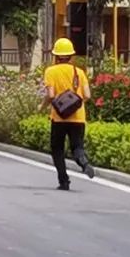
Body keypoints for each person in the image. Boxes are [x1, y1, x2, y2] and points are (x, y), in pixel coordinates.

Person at [42, 37, 95, 190]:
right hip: (78, 117)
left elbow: (51, 95)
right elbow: (88, 95)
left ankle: (64, 181)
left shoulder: (51, 71)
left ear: (56, 56)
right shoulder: (79, 72)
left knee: (57, 149)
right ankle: (83, 162)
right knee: (77, 146)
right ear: (71, 56)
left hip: (58, 117)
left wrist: (42, 106)